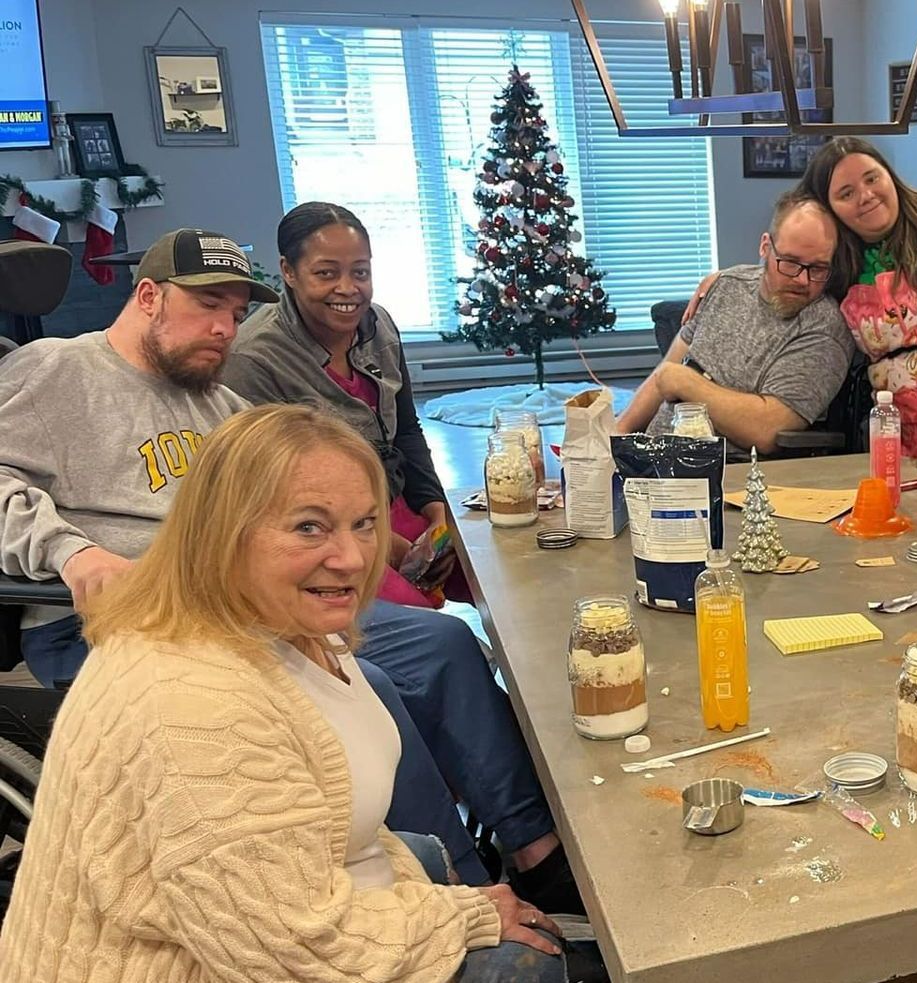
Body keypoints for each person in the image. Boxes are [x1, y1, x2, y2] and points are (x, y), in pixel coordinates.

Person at [0, 227, 583, 905]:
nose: (223, 329)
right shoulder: (59, 370)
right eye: (207, 306)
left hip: (253, 602)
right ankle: (456, 893)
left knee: (445, 642)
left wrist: (384, 540)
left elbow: (303, 490)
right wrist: (72, 552)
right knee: (358, 683)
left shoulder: (218, 404)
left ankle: (536, 850)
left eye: (235, 314)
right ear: (149, 296)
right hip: (135, 619)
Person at [0, 404, 574, 983]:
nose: (352, 559)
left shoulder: (283, 624)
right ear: (223, 533)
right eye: (309, 527)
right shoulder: (193, 704)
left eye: (365, 523)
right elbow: (296, 951)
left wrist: (451, 904)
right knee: (525, 968)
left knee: (426, 853)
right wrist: (465, 917)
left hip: (264, 913)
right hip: (200, 962)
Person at [221, 202, 462, 610]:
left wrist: (439, 515)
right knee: (430, 629)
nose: (348, 289)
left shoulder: (380, 325)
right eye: (326, 273)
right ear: (288, 271)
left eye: (361, 272)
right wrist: (380, 541)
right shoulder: (253, 359)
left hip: (397, 504)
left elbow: (405, 430)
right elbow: (270, 491)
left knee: (505, 572)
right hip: (328, 533)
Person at [797, 136, 917, 474]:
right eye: (846, 193)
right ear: (829, 208)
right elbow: (787, 267)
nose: (866, 196)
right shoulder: (838, 267)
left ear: (889, 175)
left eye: (872, 178)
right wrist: (726, 278)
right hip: (910, 444)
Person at [616, 192, 854, 452]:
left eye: (818, 268)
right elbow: (665, 372)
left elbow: (768, 430)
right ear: (765, 246)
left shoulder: (822, 327)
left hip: (725, 474)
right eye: (790, 262)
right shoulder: (727, 285)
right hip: (653, 459)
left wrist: (685, 383)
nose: (802, 280)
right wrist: (615, 435)